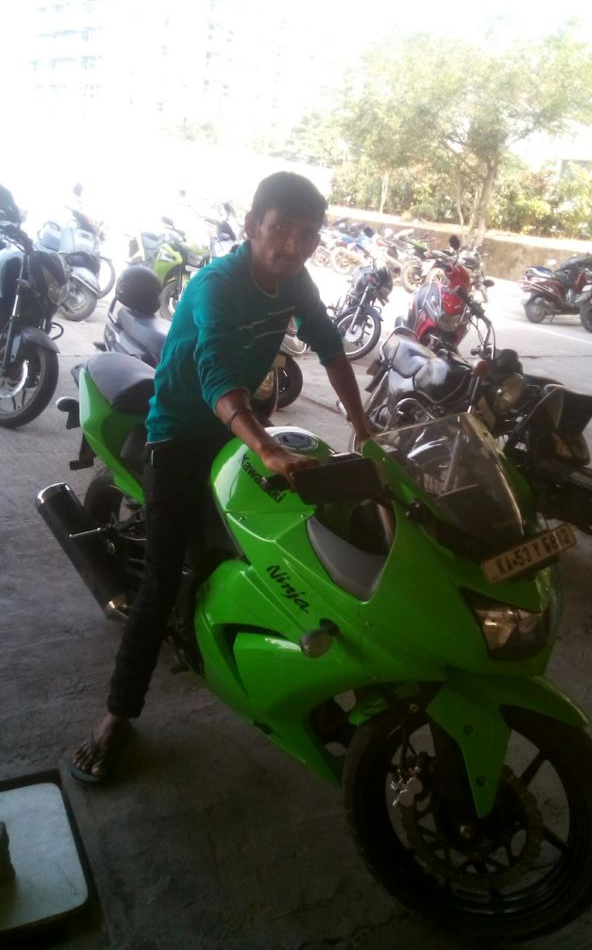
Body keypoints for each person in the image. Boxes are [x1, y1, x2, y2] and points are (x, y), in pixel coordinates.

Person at [71, 171, 372, 783]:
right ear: (253, 225)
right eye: (281, 228)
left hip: (240, 425)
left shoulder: (295, 281)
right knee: (161, 578)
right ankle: (117, 715)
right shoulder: (217, 284)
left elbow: (330, 345)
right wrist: (264, 446)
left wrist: (363, 426)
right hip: (179, 432)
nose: (292, 244)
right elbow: (214, 371)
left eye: (307, 234)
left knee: (286, 544)